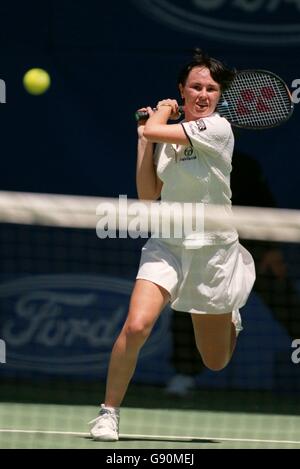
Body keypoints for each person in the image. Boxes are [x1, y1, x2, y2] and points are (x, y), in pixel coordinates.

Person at [88, 49, 256, 441]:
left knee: (214, 362)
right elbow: (148, 195)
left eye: (211, 89)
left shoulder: (219, 129)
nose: (203, 94)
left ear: (218, 96)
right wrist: (144, 139)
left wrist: (156, 118)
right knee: (137, 324)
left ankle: (231, 315)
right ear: (182, 90)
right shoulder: (166, 136)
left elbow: (153, 128)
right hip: (168, 243)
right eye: (195, 86)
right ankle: (108, 412)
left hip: (214, 251)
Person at [166, 150, 300, 397]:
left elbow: (264, 205)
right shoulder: (185, 163)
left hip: (252, 248)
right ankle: (184, 373)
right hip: (204, 249)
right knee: (187, 307)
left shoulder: (245, 165)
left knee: (288, 306)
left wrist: (272, 249)